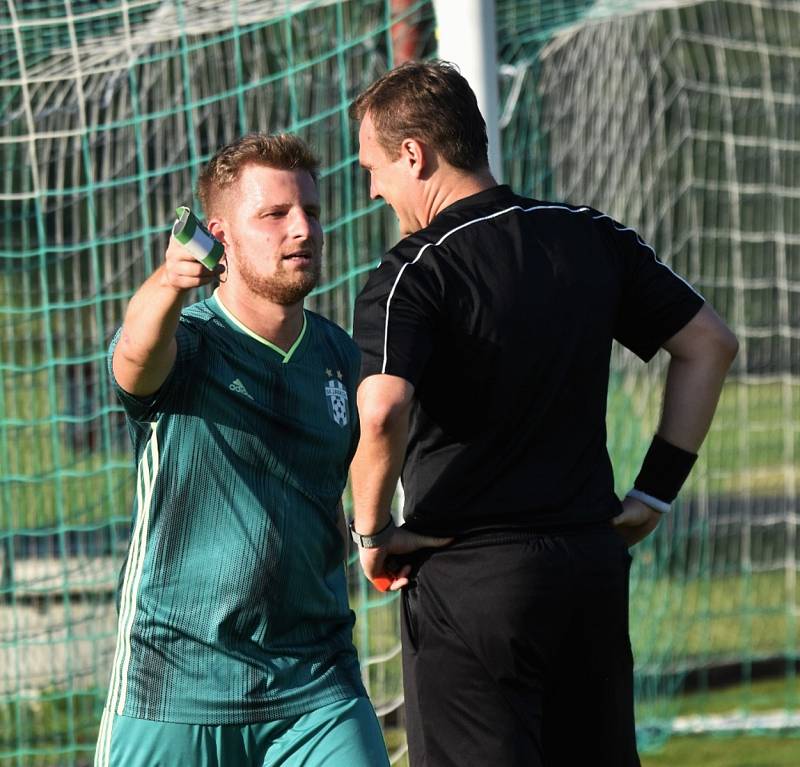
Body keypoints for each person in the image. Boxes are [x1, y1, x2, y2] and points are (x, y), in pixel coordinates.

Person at [347, 61, 738, 767]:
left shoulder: (414, 268)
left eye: (373, 166)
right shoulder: (589, 234)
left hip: (469, 582)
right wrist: (654, 491)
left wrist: (370, 531)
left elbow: (381, 410)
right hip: (587, 567)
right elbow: (710, 344)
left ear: (415, 153)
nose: (372, 187)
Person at [95, 133, 389, 767]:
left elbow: (374, 446)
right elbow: (133, 361)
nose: (302, 229)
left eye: (310, 211)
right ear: (219, 233)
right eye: (275, 214)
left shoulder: (342, 356)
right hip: (174, 681)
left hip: (316, 682)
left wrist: (374, 531)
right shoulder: (190, 342)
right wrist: (171, 284)